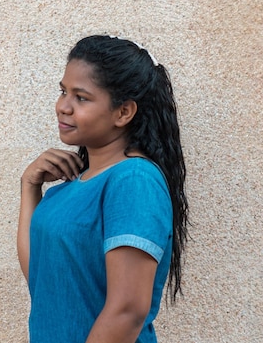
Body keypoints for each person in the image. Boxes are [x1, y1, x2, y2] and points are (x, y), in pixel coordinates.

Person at [17, 35, 189, 343]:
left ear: (123, 112)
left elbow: (127, 310)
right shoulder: (69, 186)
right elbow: (43, 280)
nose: (63, 107)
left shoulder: (134, 180)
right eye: (63, 92)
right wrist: (29, 188)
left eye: (81, 98)